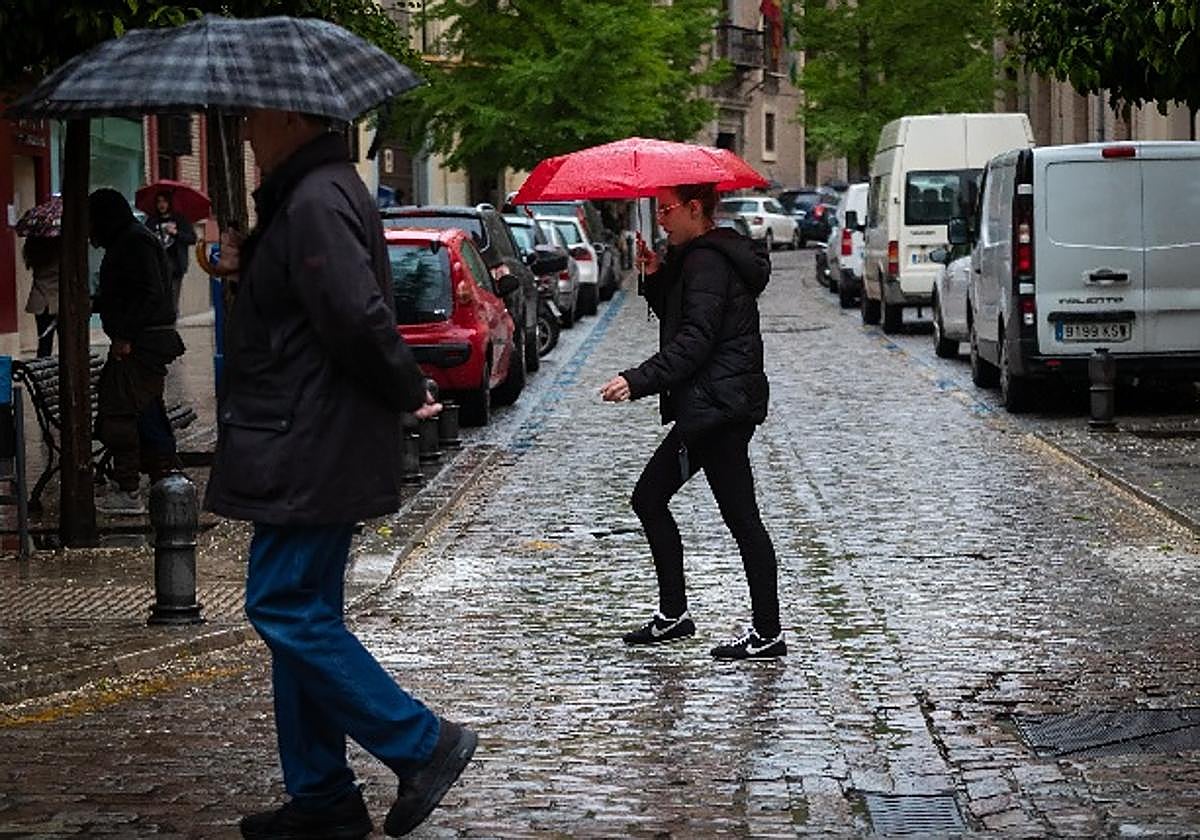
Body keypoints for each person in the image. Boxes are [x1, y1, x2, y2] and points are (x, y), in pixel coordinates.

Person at [204, 109, 476, 840]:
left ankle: (422, 743)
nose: (248, 133)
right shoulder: (314, 193)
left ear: (291, 115)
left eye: (255, 117)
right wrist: (247, 261)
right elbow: (304, 303)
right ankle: (322, 795)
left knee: (283, 607)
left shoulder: (317, 195)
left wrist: (407, 385)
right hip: (308, 435)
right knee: (305, 618)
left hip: (308, 439)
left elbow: (354, 315)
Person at [599, 182, 784, 661]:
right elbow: (687, 319)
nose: (660, 218)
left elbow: (695, 342)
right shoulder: (701, 257)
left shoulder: (706, 261)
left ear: (695, 209)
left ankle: (763, 632)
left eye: (666, 209)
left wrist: (637, 380)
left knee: (733, 517)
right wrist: (657, 276)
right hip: (715, 405)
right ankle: (680, 615)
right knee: (659, 501)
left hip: (716, 408)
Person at [88, 188, 185, 516]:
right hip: (142, 340)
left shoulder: (134, 241)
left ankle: (131, 488)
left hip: (143, 342)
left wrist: (127, 334)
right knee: (143, 407)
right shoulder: (129, 239)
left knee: (123, 409)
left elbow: (150, 294)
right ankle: (164, 478)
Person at [145, 189, 196, 318]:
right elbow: (144, 240)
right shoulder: (152, 221)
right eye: (159, 202)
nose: (162, 205)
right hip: (157, 266)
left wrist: (176, 233)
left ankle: (171, 323)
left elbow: (192, 238)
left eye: (164, 201)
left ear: (169, 203)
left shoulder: (179, 219)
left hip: (175, 265)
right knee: (159, 297)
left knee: (173, 298)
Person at [21, 235, 60, 357]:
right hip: (55, 300)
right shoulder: (57, 254)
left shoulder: (33, 251)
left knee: (44, 342)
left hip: (39, 300)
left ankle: (42, 371)